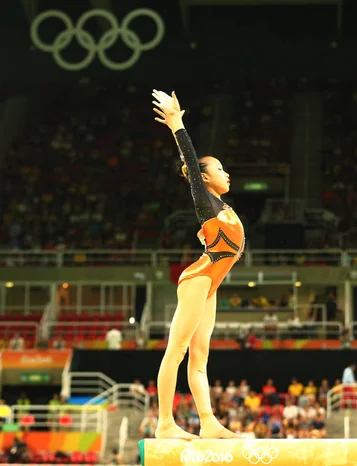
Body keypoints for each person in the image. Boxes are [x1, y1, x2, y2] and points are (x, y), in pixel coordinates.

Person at [152, 90, 245, 439]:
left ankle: (208, 422)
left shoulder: (222, 207)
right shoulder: (205, 200)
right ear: (204, 178)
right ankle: (165, 424)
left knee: (200, 357)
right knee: (177, 349)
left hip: (211, 284)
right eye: (220, 169)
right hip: (199, 278)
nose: (227, 173)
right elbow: (191, 162)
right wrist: (177, 124)